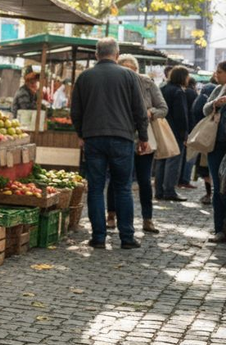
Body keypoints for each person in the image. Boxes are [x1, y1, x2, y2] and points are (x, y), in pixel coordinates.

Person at [71, 38, 149, 249]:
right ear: (117, 54)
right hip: (122, 137)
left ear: (97, 54)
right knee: (123, 188)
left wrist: (81, 133)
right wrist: (143, 137)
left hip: (93, 138)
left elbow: (75, 111)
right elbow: (140, 111)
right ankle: (127, 237)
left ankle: (98, 237)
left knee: (95, 188)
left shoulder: (84, 77)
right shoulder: (129, 76)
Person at [106, 54, 167, 232]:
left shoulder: (147, 84)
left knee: (144, 180)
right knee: (116, 178)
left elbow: (163, 108)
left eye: (131, 70)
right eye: (124, 69)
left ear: (136, 70)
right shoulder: (114, 84)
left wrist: (150, 112)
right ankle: (111, 214)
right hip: (121, 137)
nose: (128, 74)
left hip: (144, 138)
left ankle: (147, 219)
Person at [154, 66, 190, 202]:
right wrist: (184, 133)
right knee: (173, 161)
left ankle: (159, 191)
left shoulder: (163, 88)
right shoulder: (178, 92)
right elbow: (181, 115)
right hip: (175, 131)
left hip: (162, 129)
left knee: (161, 160)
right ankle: (169, 190)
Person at [200, 61, 226, 242]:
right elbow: (204, 109)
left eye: (219, 72)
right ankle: (219, 228)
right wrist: (215, 104)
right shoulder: (218, 89)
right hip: (216, 143)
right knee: (218, 187)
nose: (215, 74)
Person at [191, 79, 218, 204]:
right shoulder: (214, 94)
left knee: (204, 167)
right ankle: (211, 194)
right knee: (206, 167)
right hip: (210, 136)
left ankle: (209, 194)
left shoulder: (201, 99)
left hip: (206, 137)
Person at [178, 76, 200, 189]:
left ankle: (179, 179)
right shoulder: (192, 93)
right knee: (190, 156)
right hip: (191, 128)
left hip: (182, 129)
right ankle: (185, 179)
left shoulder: (182, 92)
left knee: (181, 156)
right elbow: (193, 112)